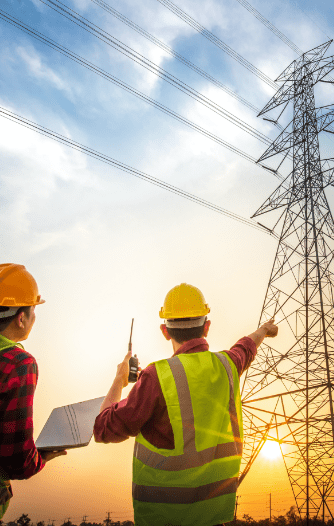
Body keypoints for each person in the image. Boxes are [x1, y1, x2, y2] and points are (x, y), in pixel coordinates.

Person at [94, 283, 278, 526]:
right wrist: (263, 330)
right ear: (207, 326)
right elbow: (246, 347)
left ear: (165, 331)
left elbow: (103, 429)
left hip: (163, 519)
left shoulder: (156, 377)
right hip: (214, 518)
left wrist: (119, 381)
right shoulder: (227, 366)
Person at [0, 263, 67, 519]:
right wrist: (41, 457)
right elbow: (16, 459)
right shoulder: (18, 364)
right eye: (33, 311)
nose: (34, 318)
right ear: (20, 317)